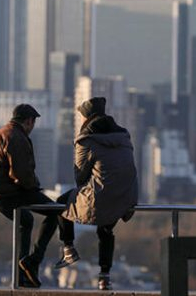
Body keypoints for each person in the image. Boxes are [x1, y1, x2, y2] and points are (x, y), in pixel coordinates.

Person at [54, 97, 138, 290]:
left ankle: (68, 248)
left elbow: (80, 177)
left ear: (86, 118)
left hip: (103, 196)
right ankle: (104, 276)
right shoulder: (123, 136)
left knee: (60, 203)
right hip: (127, 195)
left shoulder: (85, 140)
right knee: (106, 228)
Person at [0, 104, 59, 288]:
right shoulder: (16, 137)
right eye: (33, 123)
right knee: (55, 211)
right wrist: (35, 188)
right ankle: (32, 261)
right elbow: (22, 174)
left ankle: (22, 275)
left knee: (26, 220)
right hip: (6, 193)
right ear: (29, 121)